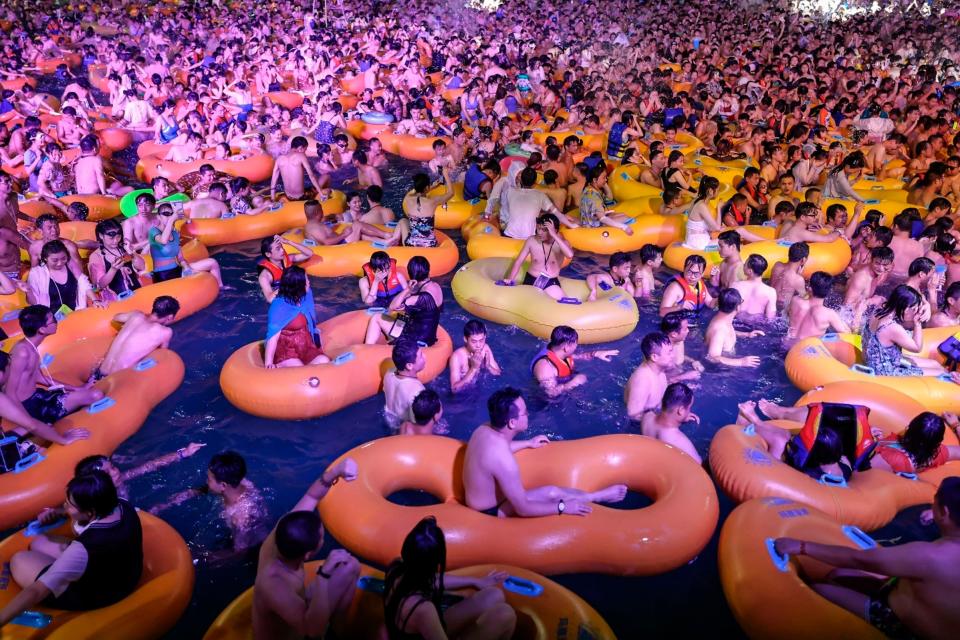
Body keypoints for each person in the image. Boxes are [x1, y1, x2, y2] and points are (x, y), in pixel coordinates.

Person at [773, 477, 960, 640]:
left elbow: (858, 559)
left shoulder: (929, 556)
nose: (931, 504)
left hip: (904, 628)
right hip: (909, 598)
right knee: (839, 574)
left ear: (944, 512)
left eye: (934, 501)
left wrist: (802, 547)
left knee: (819, 589)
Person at [0, 472, 142, 623]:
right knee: (38, 543)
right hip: (121, 575)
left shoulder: (86, 546)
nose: (65, 505)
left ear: (90, 512)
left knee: (19, 559)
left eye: (69, 504)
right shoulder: (122, 505)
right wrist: (59, 512)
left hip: (98, 594)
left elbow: (36, 591)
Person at [463, 387, 627, 517]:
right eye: (524, 413)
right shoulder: (503, 460)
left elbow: (494, 454)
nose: (527, 415)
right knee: (552, 493)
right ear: (512, 423)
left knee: (550, 491)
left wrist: (528, 443)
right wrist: (562, 507)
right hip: (489, 512)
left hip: (476, 499)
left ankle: (595, 496)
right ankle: (597, 497)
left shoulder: (483, 430)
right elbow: (523, 509)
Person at [251, 458, 360, 640]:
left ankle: (337, 632)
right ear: (308, 554)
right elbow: (312, 630)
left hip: (297, 612)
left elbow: (312, 497)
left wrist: (335, 472)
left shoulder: (284, 531)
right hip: (298, 631)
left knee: (350, 567)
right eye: (322, 536)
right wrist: (324, 575)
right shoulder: (274, 583)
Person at [384, 516, 516, 639]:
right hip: (426, 628)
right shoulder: (424, 610)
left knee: (494, 595)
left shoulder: (396, 567)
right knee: (506, 615)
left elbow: (431, 580)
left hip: (424, 627)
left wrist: (475, 581)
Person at [4, 305, 104, 424]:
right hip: (30, 407)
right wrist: (29, 423)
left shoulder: (30, 346)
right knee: (95, 395)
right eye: (53, 320)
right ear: (42, 329)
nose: (57, 321)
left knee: (86, 395)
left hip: (39, 396)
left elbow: (39, 377)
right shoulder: (22, 353)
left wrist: (77, 388)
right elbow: (9, 391)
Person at [151, 451, 269, 551]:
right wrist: (169, 503)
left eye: (209, 479)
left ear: (223, 485)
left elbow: (239, 550)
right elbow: (205, 489)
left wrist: (203, 558)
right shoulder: (240, 481)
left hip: (252, 545)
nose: (207, 482)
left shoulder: (240, 518)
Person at [861, 285, 960, 381]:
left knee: (935, 364)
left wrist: (926, 303)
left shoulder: (879, 311)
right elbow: (917, 348)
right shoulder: (891, 327)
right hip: (886, 372)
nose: (915, 313)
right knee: (943, 372)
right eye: (914, 309)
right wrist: (917, 323)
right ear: (906, 308)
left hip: (877, 361)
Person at [89, 296, 180, 380]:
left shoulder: (136, 315)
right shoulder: (165, 332)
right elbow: (162, 355)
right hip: (117, 379)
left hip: (99, 371)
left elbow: (116, 317)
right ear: (170, 317)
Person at [364, 256, 443, 347]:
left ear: (411, 275)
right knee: (401, 317)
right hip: (429, 336)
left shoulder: (416, 299)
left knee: (377, 317)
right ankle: (390, 342)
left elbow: (391, 307)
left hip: (416, 340)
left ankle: (367, 349)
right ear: (428, 270)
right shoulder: (436, 286)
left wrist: (407, 289)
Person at [148, 203, 228, 288]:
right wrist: (172, 220)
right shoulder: (153, 232)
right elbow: (163, 240)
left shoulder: (175, 234)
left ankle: (221, 288)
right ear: (159, 216)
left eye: (171, 214)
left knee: (212, 263)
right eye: (166, 214)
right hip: (163, 275)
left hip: (177, 270)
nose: (169, 217)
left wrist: (187, 268)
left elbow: (180, 258)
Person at [264, 266, 328, 368]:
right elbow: (273, 336)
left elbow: (312, 323)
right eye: (306, 280)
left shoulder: (306, 296)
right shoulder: (279, 306)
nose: (309, 282)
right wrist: (268, 363)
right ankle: (279, 366)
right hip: (286, 348)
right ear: (298, 286)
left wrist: (317, 342)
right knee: (298, 367)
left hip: (305, 345)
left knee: (323, 360)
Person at [502, 213, 574, 301]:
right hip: (530, 280)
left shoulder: (561, 244)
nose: (539, 232)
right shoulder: (531, 241)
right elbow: (518, 261)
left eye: (544, 230)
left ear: (554, 230)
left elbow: (570, 255)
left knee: (563, 304)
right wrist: (510, 280)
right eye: (538, 228)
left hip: (550, 282)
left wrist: (554, 235)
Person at [531, 325, 618, 398]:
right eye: (575, 344)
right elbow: (551, 394)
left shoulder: (559, 352)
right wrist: (574, 383)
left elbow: (579, 356)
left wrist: (596, 354)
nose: (576, 346)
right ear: (566, 347)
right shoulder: (545, 367)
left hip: (562, 383)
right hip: (546, 404)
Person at [640, 382, 702, 463]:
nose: (689, 411)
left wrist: (682, 419)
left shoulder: (647, 416)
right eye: (689, 408)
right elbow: (699, 466)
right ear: (681, 410)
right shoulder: (679, 441)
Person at [26, 240, 96, 311]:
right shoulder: (36, 273)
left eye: (63, 258)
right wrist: (28, 291)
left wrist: (95, 300)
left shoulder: (69, 264)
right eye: (55, 260)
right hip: (50, 318)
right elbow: (34, 303)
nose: (60, 263)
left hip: (76, 312)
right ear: (45, 258)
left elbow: (83, 282)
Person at [86, 219, 144, 302]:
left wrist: (132, 252)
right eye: (111, 238)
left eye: (118, 237)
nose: (116, 241)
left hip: (137, 292)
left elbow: (141, 267)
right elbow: (99, 285)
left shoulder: (124, 249)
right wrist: (113, 269)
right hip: (115, 300)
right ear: (101, 236)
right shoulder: (96, 256)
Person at [705, 289, 763, 368]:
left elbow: (726, 334)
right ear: (738, 307)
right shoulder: (719, 330)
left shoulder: (722, 319)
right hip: (721, 371)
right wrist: (741, 362)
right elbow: (712, 357)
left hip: (727, 362)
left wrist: (746, 334)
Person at [624, 332, 676, 419]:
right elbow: (633, 416)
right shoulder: (642, 381)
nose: (673, 356)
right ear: (655, 357)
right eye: (669, 353)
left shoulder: (659, 370)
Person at [788, 272, 851, 340]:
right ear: (829, 292)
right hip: (802, 349)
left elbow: (788, 314)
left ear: (809, 288)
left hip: (785, 344)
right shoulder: (829, 314)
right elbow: (847, 334)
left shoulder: (795, 300)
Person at [382, 339, 426, 430]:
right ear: (409, 365)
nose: (425, 357)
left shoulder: (389, 373)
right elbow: (418, 427)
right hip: (402, 431)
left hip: (387, 420)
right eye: (421, 356)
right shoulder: (417, 390)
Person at [449, 320, 501, 393]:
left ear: (485, 337)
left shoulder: (485, 348)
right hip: (464, 396)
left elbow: (498, 374)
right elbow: (454, 389)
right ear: (465, 339)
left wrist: (488, 366)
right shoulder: (457, 357)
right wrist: (473, 368)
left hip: (480, 389)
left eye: (481, 340)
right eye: (474, 341)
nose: (478, 345)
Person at [257, 235, 313, 302]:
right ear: (268, 254)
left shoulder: (288, 259)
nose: (282, 250)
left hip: (292, 293)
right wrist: (287, 285)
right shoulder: (265, 276)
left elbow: (309, 253)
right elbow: (270, 299)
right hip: (281, 299)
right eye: (278, 248)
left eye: (282, 247)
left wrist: (288, 242)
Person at [270, 136, 324, 201]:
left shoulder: (279, 159)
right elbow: (311, 176)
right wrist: (321, 194)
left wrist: (272, 199)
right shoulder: (301, 156)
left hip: (287, 197)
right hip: (302, 197)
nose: (305, 152)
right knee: (326, 177)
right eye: (305, 149)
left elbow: (273, 181)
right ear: (300, 148)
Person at [660, 312, 703, 381]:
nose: (688, 331)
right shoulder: (661, 354)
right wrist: (684, 376)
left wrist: (693, 361)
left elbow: (679, 356)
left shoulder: (679, 341)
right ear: (674, 334)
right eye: (685, 329)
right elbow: (658, 383)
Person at [731, 254, 777, 319]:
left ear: (750, 271)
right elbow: (770, 318)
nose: (743, 265)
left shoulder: (736, 286)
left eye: (745, 265)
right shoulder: (771, 292)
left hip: (736, 323)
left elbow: (728, 311)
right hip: (756, 326)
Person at [770, 241, 809, 311]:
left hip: (769, 304)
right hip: (782, 311)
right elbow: (806, 300)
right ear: (803, 260)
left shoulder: (777, 265)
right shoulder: (798, 279)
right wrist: (798, 276)